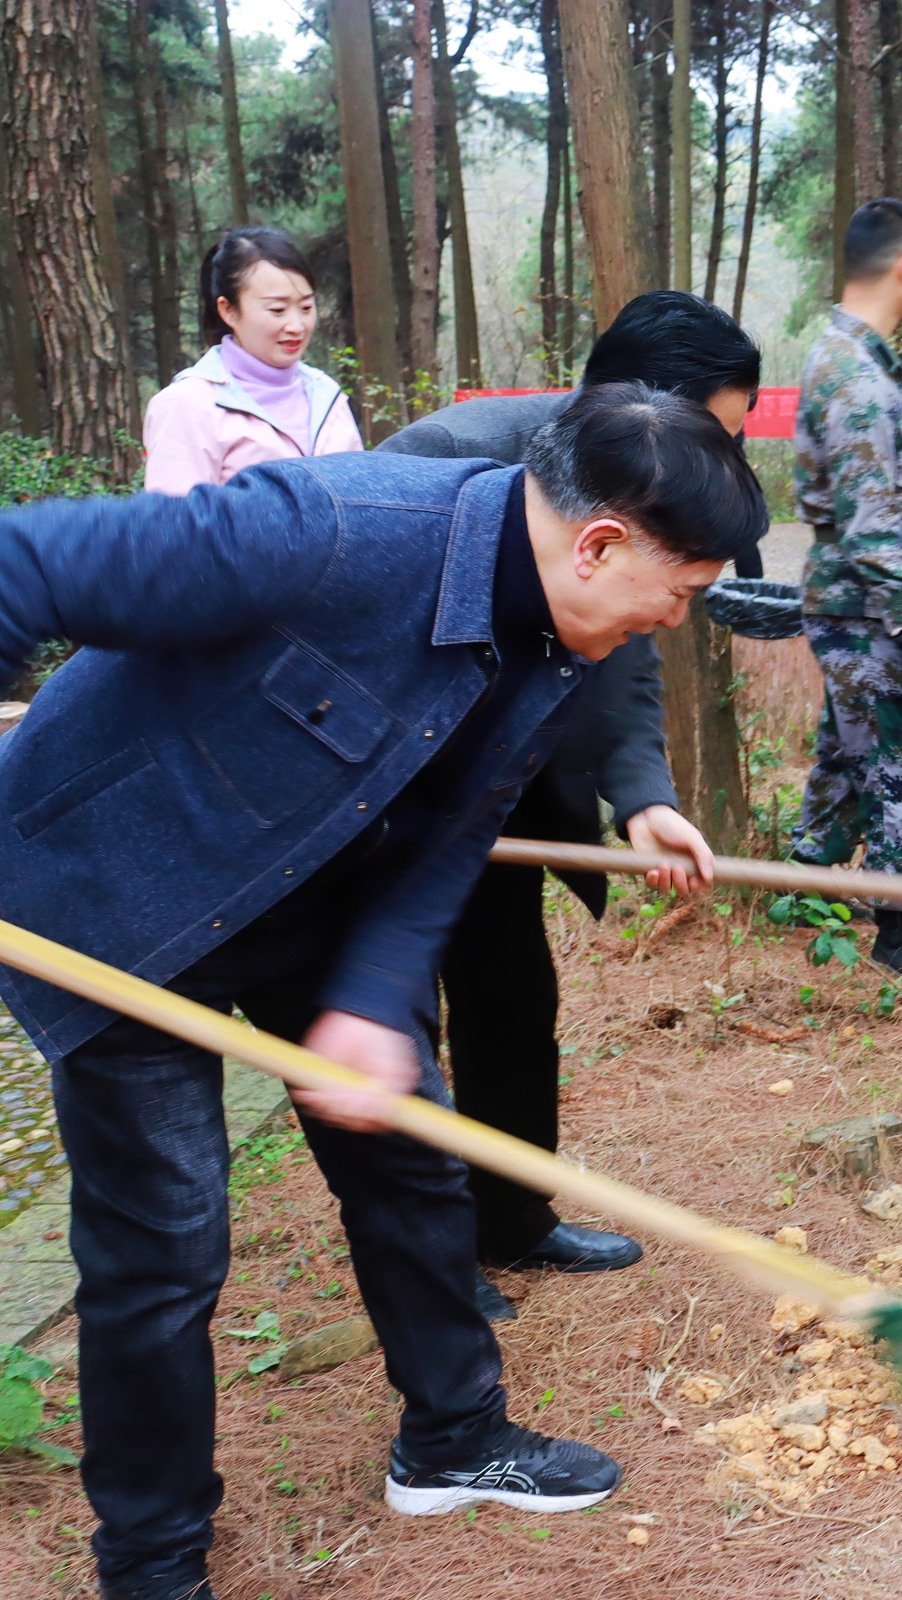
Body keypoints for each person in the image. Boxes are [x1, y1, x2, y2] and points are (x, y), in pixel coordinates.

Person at [0, 384, 765, 1600]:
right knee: (165, 1243)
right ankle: (150, 1563)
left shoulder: (560, 641)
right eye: (677, 594)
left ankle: (453, 1438)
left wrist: (370, 997)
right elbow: (19, 563)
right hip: (121, 902)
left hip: (319, 887)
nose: (671, 620)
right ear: (602, 543)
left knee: (412, 1152)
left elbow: (449, 840)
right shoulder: (325, 528)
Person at [379, 290, 759, 1310]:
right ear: (643, 415)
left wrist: (642, 799)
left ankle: (513, 1220)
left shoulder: (640, 504)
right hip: (389, 800)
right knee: (394, 1029)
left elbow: (626, 648)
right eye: (714, 437)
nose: (722, 466)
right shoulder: (442, 463)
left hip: (499, 788)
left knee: (511, 997)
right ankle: (432, 1268)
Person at [784, 198, 902, 981]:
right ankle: (897, 936)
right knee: (901, 775)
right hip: (865, 607)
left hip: (851, 601)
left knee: (843, 749)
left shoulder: (849, 353)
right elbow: (868, 527)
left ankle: (805, 884)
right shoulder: (857, 377)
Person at [143, 226, 364, 493]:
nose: (297, 325)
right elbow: (175, 525)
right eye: (277, 310)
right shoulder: (188, 405)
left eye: (306, 307)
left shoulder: (326, 394)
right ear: (229, 311)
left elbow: (357, 503)